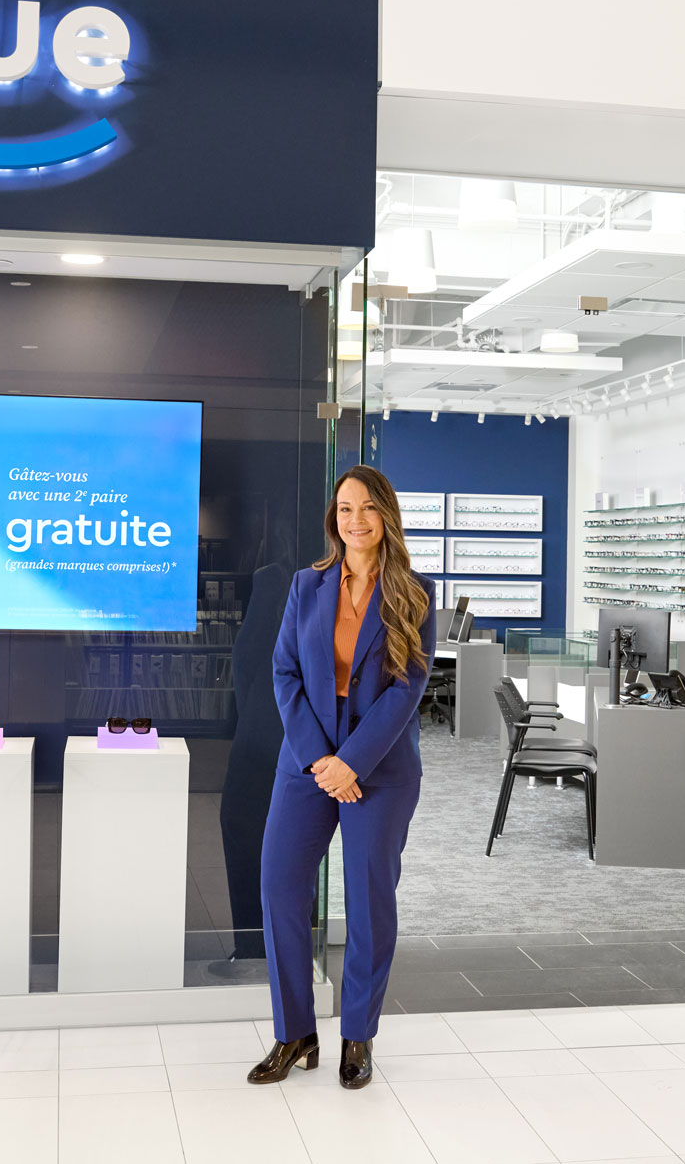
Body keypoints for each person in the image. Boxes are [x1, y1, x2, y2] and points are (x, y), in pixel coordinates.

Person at [248, 464, 435, 1090]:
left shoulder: (415, 593)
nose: (355, 519)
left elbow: (407, 689)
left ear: (387, 515)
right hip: (307, 761)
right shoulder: (307, 585)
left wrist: (351, 761)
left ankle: (358, 1034)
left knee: (369, 900)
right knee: (279, 885)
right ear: (334, 517)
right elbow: (284, 673)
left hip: (378, 768)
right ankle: (295, 1033)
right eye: (345, 508)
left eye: (367, 508)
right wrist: (320, 759)